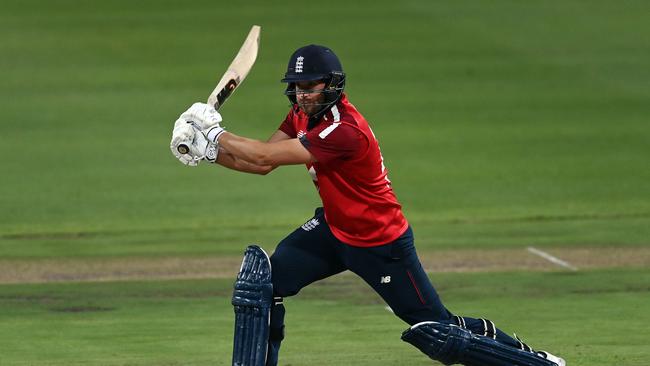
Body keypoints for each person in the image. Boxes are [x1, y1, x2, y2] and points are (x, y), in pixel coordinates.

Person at [170, 44, 566, 366]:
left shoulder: (345, 131)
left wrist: (215, 133)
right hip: (333, 231)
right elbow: (261, 164)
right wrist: (204, 151)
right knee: (261, 285)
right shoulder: (301, 114)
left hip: (380, 244)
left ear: (333, 85)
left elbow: (263, 157)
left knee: (437, 332)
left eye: (312, 86)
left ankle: (532, 361)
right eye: (298, 87)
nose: (304, 94)